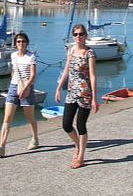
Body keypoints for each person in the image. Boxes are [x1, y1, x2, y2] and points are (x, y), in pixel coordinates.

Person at [55, 23, 99, 169]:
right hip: (71, 92)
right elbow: (66, 69)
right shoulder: (71, 50)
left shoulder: (89, 53)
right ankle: (77, 145)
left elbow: (92, 76)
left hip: (85, 94)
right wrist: (59, 87)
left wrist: (94, 98)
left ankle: (81, 157)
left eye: (81, 34)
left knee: (81, 125)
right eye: (75, 34)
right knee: (66, 124)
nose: (78, 37)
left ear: (85, 36)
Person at [0, 32, 39, 157]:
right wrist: (13, 85)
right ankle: (2, 147)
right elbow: (13, 72)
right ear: (15, 43)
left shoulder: (31, 56)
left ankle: (35, 138)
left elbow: (33, 75)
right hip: (13, 87)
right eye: (18, 42)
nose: (21, 44)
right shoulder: (13, 55)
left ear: (27, 43)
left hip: (26, 88)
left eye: (23, 41)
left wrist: (24, 88)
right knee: (7, 119)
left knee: (30, 118)